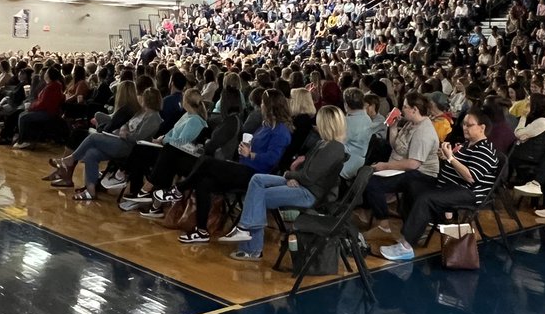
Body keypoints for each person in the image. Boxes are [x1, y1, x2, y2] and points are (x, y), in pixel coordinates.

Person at [221, 105, 349, 260]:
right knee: (257, 180)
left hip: (309, 193)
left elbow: (309, 177)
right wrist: (294, 177)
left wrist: (289, 174)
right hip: (302, 184)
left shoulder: (334, 148)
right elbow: (307, 172)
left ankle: (251, 246)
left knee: (258, 195)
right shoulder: (324, 144)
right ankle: (245, 230)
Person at [379, 109, 500, 262]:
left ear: (482, 128)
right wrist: (445, 157)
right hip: (448, 185)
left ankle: (406, 246)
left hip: (468, 192)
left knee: (425, 198)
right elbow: (456, 165)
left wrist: (451, 159)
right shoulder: (467, 145)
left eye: (469, 125)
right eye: (464, 124)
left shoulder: (486, 150)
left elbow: (470, 177)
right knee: (412, 182)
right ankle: (412, 229)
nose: (464, 128)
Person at [174, 89, 293, 243]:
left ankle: (178, 189)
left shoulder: (281, 131)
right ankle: (201, 230)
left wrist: (250, 154)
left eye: (263, 103)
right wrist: (245, 150)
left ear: (269, 106)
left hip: (256, 174)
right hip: (244, 166)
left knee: (207, 162)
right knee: (203, 182)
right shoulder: (266, 125)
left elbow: (272, 158)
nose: (261, 106)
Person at [52, 87, 163, 199]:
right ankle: (90, 190)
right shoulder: (142, 113)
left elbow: (139, 137)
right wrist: (124, 129)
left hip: (129, 147)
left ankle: (70, 159)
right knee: (91, 153)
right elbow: (128, 123)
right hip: (121, 139)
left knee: (94, 137)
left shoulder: (154, 118)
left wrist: (126, 134)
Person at [360, 92, 441, 231]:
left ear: (414, 109)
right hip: (407, 167)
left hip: (422, 174)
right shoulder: (411, 123)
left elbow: (414, 164)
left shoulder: (424, 132)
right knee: (367, 174)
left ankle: (383, 223)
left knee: (373, 183)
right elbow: (396, 146)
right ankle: (380, 214)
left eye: (405, 107)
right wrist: (393, 127)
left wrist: (385, 166)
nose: (402, 109)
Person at [13, 66, 64, 149]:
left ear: (49, 75)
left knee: (23, 117)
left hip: (48, 112)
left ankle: (23, 140)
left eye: (46, 73)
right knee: (23, 114)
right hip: (47, 110)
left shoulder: (51, 87)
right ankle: (26, 139)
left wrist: (31, 107)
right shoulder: (54, 85)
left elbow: (43, 103)